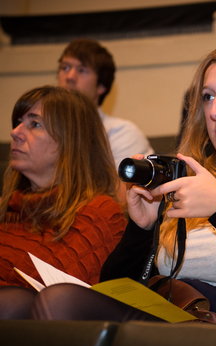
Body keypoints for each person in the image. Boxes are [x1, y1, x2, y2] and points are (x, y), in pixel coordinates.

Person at [32, 42, 216, 321]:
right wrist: (142, 229)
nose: (215, 111)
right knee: (51, 301)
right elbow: (114, 287)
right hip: (172, 319)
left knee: (61, 302)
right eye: (208, 96)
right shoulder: (185, 176)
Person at [0, 86, 127, 316]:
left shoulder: (98, 215)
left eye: (34, 124)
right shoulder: (7, 209)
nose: (15, 132)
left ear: (70, 141)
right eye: (18, 122)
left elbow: (62, 304)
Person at [57, 39, 153, 168]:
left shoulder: (121, 134)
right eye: (65, 67)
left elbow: (118, 188)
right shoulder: (40, 132)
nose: (69, 77)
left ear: (101, 86)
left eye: (81, 70)